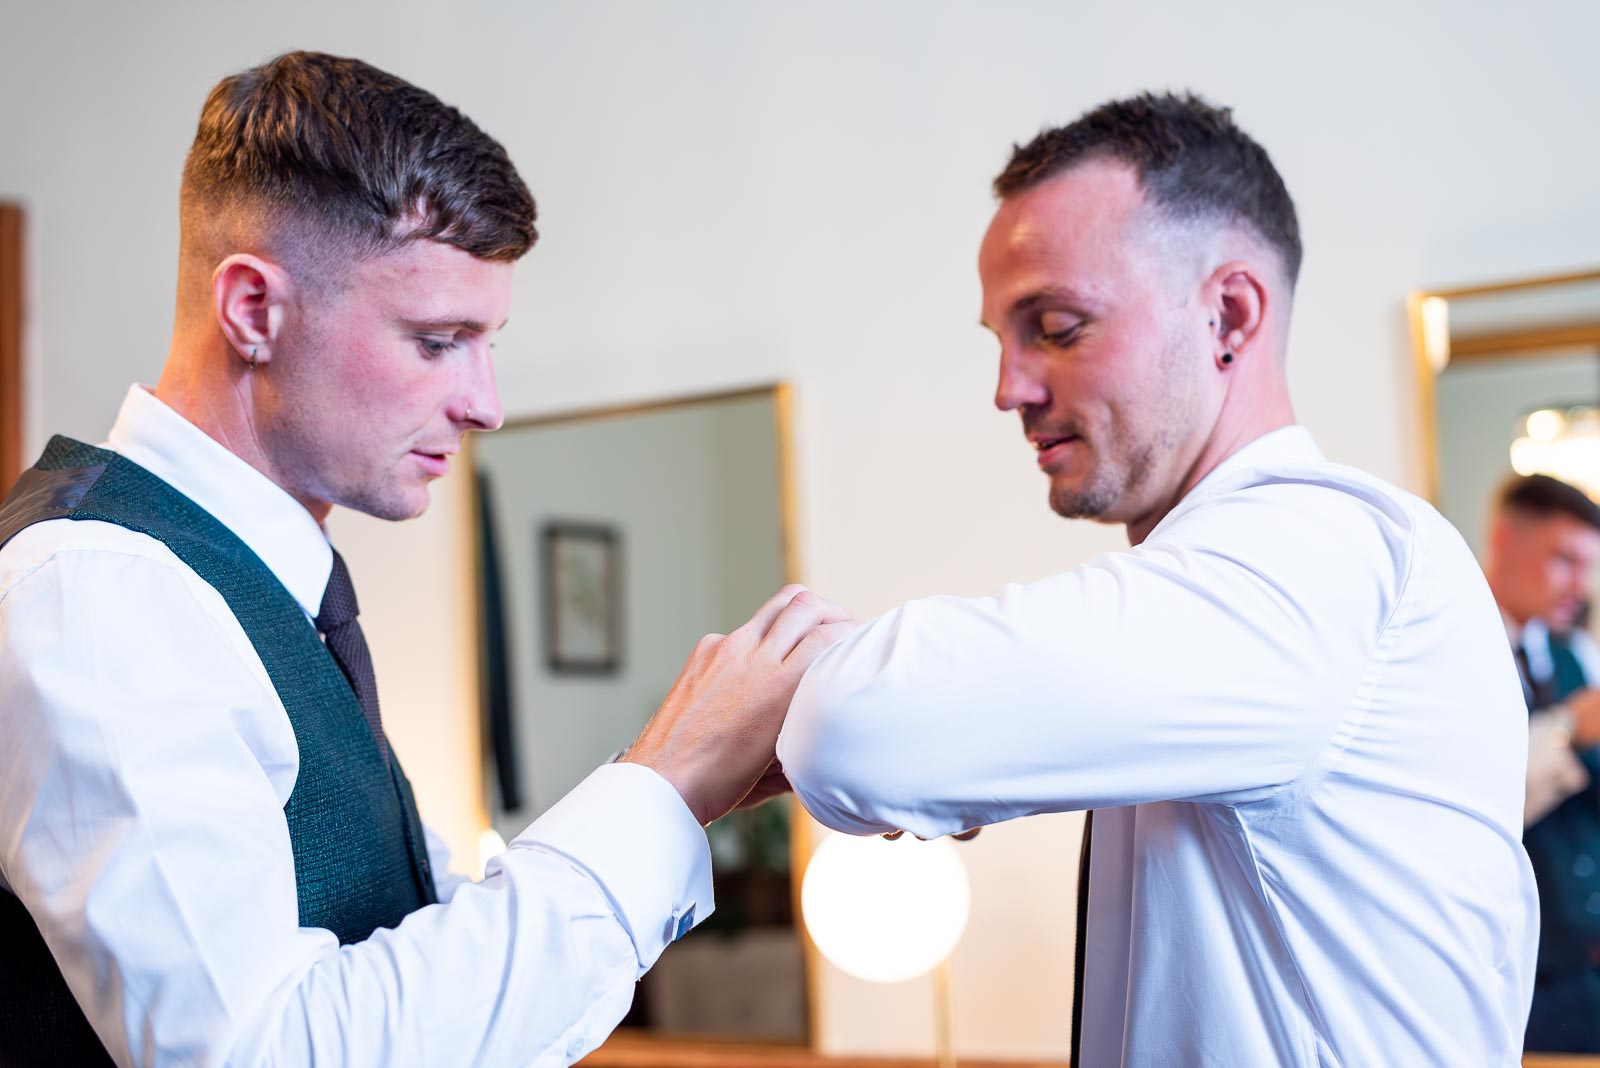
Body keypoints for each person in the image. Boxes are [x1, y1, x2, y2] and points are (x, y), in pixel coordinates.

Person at [0, 52, 847, 1067]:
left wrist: (683, 782)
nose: (484, 404)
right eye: (439, 340)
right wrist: (659, 787)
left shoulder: (270, 592)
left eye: (486, 342)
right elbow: (263, 1054)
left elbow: (422, 976)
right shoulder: (100, 588)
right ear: (254, 311)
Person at [776, 92, 1538, 1066]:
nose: (1008, 387)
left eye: (1053, 327)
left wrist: (784, 693)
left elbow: (859, 728)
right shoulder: (1240, 582)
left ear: (1227, 315)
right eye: (1001, 340)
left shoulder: (1317, 554)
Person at [1483, 472, 1600, 1051]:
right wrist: (1572, 729)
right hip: (1521, 968)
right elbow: (1483, 799)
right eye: (1564, 561)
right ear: (1506, 539)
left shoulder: (1574, 654)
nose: (1579, 586)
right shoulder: (1458, 652)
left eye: (1588, 567)